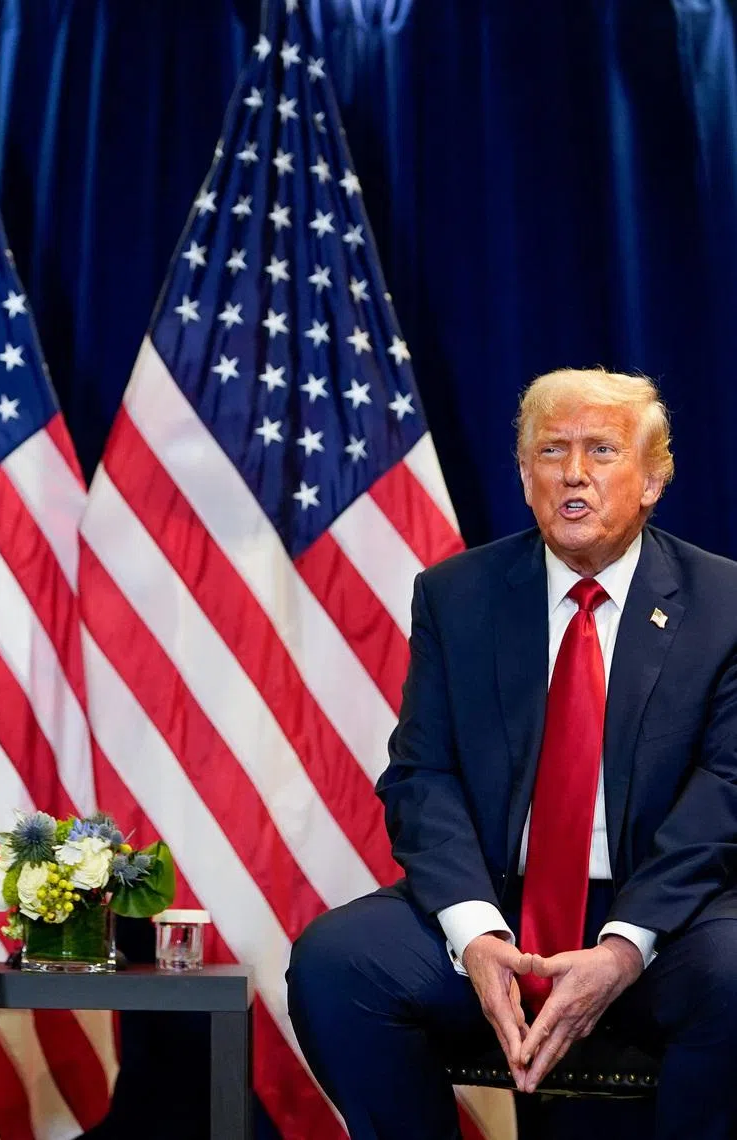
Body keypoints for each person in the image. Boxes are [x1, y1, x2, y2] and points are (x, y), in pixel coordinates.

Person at [287, 368, 737, 1139]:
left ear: (653, 479)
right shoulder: (457, 594)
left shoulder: (722, 604)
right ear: (526, 474)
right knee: (338, 962)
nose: (573, 473)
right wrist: (476, 935)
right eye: (551, 451)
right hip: (500, 903)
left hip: (667, 918)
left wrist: (626, 945)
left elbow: (726, 789)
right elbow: (422, 775)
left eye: (602, 450)